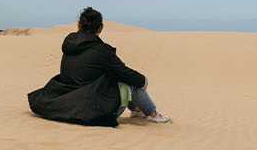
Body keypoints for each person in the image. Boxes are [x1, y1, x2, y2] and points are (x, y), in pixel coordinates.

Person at [27, 7, 171, 127]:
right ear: (101, 28)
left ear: (78, 26)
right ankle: (152, 114)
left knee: (116, 78)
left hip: (68, 103)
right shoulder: (101, 50)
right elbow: (125, 73)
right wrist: (143, 81)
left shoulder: (69, 45)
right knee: (132, 84)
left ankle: (137, 110)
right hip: (93, 110)